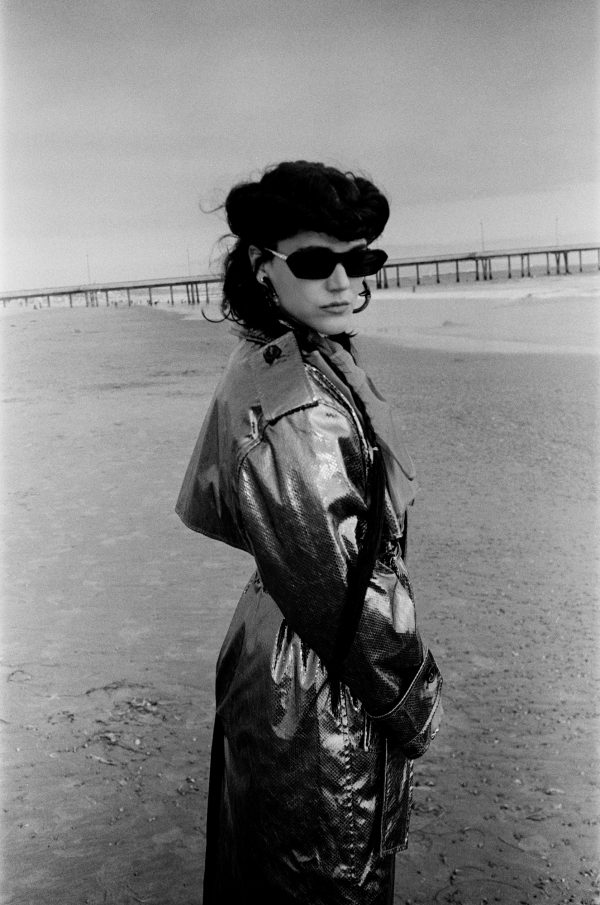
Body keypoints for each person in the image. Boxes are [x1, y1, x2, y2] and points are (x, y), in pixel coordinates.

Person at [175, 160, 443, 904]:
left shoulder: (286, 357)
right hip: (312, 677)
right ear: (263, 267)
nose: (343, 282)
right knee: (326, 872)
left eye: (361, 261)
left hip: (280, 633)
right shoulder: (296, 402)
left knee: (269, 868)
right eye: (316, 262)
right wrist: (415, 697)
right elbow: (339, 590)